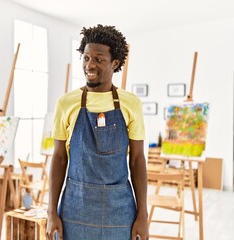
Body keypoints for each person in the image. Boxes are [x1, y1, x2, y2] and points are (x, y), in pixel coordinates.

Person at [46, 24, 149, 240]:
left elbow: (138, 160)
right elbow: (59, 158)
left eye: (99, 59)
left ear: (115, 63)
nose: (90, 65)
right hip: (75, 207)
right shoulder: (66, 103)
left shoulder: (131, 103)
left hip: (119, 210)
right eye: (86, 58)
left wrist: (143, 215)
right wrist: (51, 212)